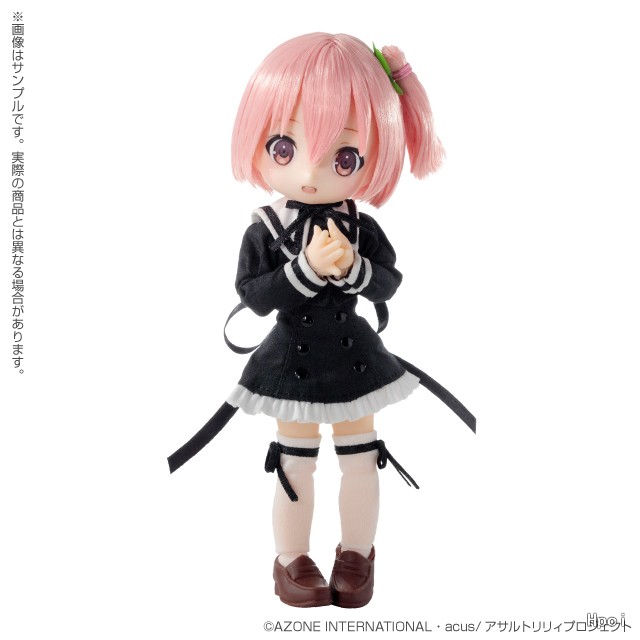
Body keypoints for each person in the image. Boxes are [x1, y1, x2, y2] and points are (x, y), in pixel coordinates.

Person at [168, 32, 475, 609]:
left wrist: (353, 268)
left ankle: (357, 553)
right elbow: (254, 296)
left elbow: (388, 282)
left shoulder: (360, 226)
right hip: (293, 361)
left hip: (353, 355)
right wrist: (305, 271)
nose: (310, 172)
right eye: (284, 147)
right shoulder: (266, 228)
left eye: (344, 158)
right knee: (294, 462)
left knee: (361, 457)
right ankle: (291, 559)